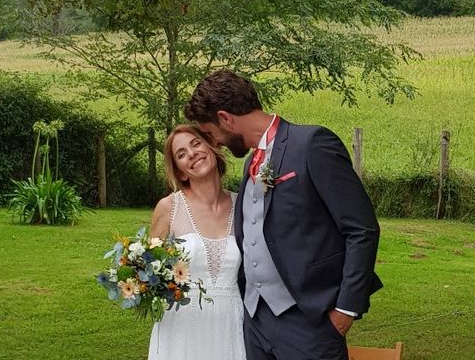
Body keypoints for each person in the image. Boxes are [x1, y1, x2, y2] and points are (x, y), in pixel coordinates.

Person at [184, 70, 383, 360]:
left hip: (310, 322)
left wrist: (346, 309)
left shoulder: (311, 144)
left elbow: (362, 228)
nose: (217, 143)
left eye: (212, 134)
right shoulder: (251, 161)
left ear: (226, 118)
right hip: (255, 321)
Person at [148, 124, 246, 360]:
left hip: (231, 324)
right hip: (181, 327)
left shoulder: (243, 205)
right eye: (181, 154)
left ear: (212, 146)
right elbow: (149, 270)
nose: (191, 154)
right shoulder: (169, 208)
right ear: (181, 172)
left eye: (196, 144)